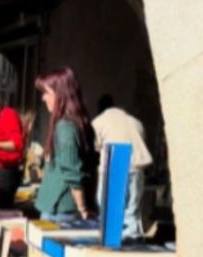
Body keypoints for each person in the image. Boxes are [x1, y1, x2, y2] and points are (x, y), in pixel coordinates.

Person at [33, 67, 97, 222]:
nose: (43, 98)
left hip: (61, 208)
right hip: (61, 207)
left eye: (46, 92)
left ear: (60, 94)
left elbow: (72, 172)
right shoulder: (77, 122)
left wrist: (83, 209)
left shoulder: (66, 126)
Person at [92, 94, 153, 240]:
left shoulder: (99, 122)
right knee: (131, 214)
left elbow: (94, 148)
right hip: (136, 169)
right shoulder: (136, 122)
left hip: (116, 166)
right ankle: (133, 246)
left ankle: (113, 251)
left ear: (100, 108)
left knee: (111, 219)